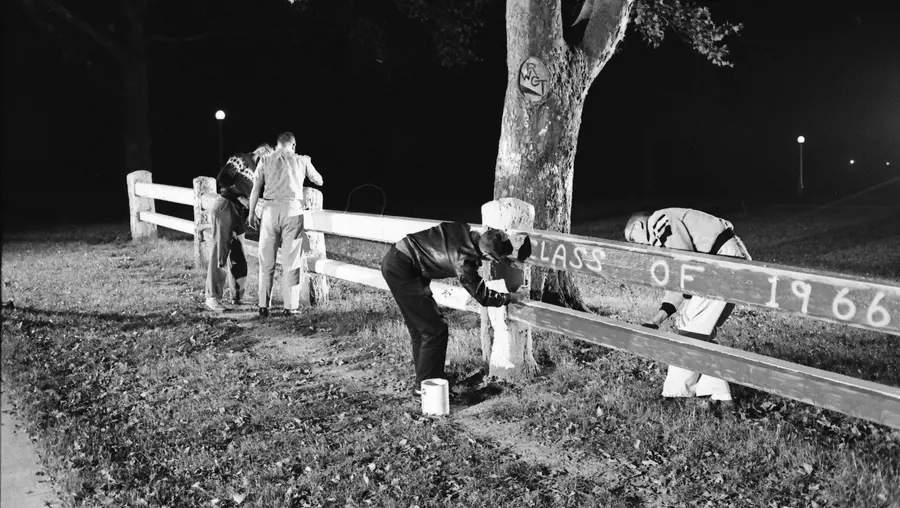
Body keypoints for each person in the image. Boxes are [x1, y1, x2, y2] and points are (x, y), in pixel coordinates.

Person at [381, 222, 530, 397]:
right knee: (435, 330)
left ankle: (428, 377)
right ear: (487, 255)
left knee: (421, 329)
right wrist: (511, 297)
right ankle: (425, 388)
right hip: (403, 271)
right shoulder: (464, 261)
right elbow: (483, 296)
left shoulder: (462, 229)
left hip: (399, 260)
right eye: (495, 259)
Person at [624, 207, 751, 405]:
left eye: (632, 238)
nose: (635, 245)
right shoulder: (664, 229)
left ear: (640, 225)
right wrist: (656, 320)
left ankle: (677, 394)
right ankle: (717, 394)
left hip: (722, 265)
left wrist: (684, 296)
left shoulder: (658, 221)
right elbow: (681, 278)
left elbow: (684, 267)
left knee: (689, 329)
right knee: (698, 331)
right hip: (727, 263)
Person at [248, 132, 323, 317]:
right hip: (292, 211)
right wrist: (308, 161)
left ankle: (264, 305)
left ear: (278, 144)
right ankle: (290, 306)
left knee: (266, 261)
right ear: (294, 145)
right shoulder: (301, 160)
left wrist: (251, 213)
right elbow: (319, 180)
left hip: (269, 211)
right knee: (291, 261)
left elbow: (256, 187)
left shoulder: (265, 160)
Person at [205, 143, 273, 311]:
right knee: (220, 251)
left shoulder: (258, 170)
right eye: (271, 156)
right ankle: (212, 296)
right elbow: (223, 178)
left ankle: (237, 295)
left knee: (239, 254)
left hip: (238, 212)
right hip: (225, 206)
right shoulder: (241, 158)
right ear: (263, 150)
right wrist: (241, 197)